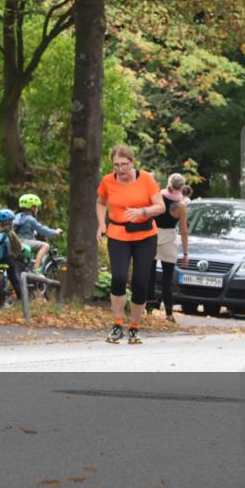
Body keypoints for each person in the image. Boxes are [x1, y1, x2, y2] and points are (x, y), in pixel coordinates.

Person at [96, 145, 165, 344]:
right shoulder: (108, 181)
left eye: (124, 165)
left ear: (132, 163)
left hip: (145, 235)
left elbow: (160, 207)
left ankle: (134, 326)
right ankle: (117, 324)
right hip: (118, 233)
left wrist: (143, 212)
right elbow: (100, 202)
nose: (120, 169)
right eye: (116, 165)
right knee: (118, 277)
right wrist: (101, 223)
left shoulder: (146, 179)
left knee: (140, 282)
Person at [148, 173, 190, 322]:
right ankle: (169, 314)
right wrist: (185, 253)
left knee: (149, 276)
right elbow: (184, 232)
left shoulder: (158, 197)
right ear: (182, 187)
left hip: (152, 237)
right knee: (167, 280)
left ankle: (147, 310)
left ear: (169, 183)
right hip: (169, 241)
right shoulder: (181, 206)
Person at [14, 193, 62, 272]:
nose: (37, 209)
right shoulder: (30, 219)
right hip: (24, 241)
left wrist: (34, 232)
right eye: (36, 207)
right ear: (32, 208)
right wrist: (56, 232)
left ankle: (30, 267)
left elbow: (22, 228)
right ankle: (36, 268)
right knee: (46, 246)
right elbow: (44, 230)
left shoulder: (18, 216)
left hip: (16, 241)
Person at [0, 209, 23, 303]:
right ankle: (20, 298)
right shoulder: (10, 233)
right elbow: (18, 246)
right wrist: (17, 252)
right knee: (14, 278)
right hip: (8, 259)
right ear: (11, 221)